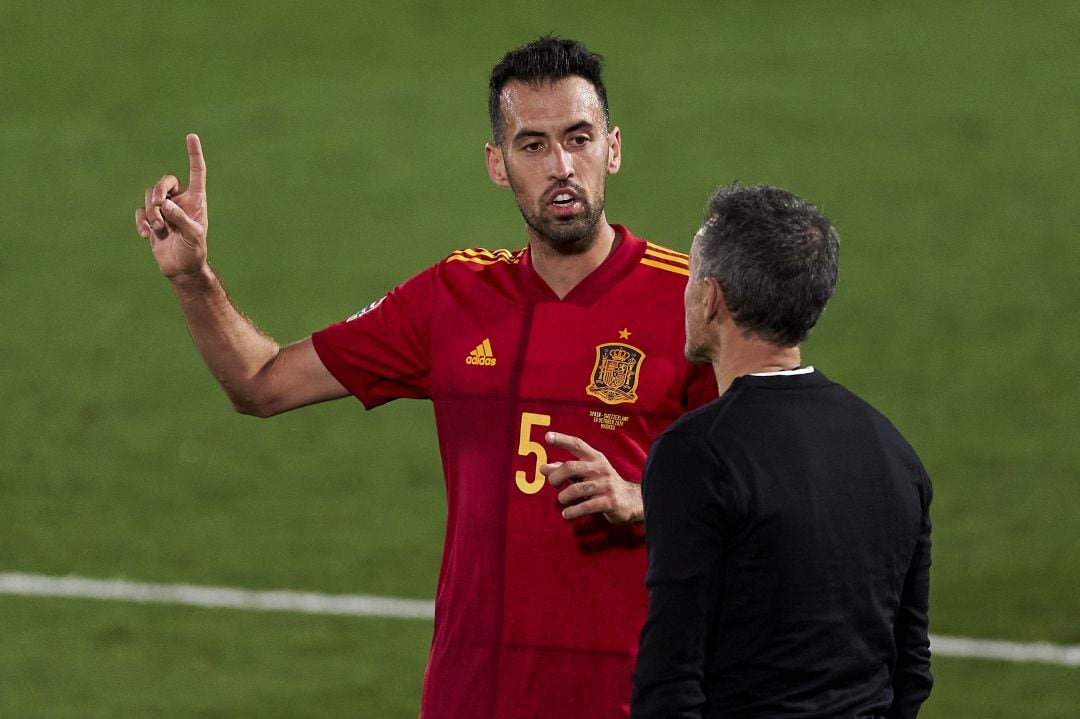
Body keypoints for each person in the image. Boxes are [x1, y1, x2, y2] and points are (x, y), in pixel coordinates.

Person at [135, 37, 716, 718]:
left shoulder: (690, 303)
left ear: (612, 148)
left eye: (578, 138)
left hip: (629, 700)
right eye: (533, 145)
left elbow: (765, 489)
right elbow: (261, 381)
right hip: (469, 699)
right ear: (497, 165)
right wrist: (193, 277)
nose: (561, 166)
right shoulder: (453, 297)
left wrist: (644, 499)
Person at [631, 184, 933, 718]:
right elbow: (909, 667)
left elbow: (671, 678)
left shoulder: (697, 454)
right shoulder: (892, 452)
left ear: (711, 297)